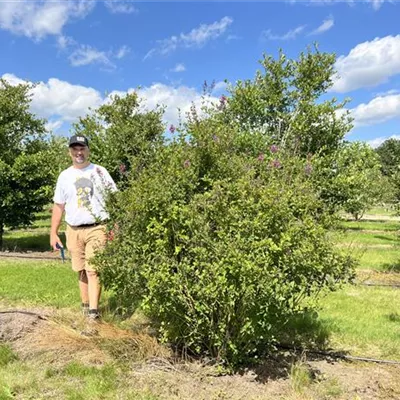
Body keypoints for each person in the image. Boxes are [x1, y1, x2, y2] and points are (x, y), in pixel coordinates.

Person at [50, 135, 117, 322]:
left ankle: (93, 314)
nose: (78, 153)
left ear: (88, 150)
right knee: (80, 269)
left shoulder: (99, 171)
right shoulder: (65, 176)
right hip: (73, 229)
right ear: (69, 152)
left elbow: (114, 199)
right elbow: (59, 205)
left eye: (82, 149)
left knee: (93, 269)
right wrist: (53, 232)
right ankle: (86, 306)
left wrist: (116, 224)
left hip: (97, 227)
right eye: (75, 149)